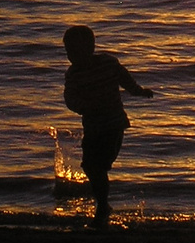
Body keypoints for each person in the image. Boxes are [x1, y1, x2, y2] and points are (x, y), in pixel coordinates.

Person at [61, 24, 154, 224]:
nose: (71, 56)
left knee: (99, 166)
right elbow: (70, 98)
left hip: (113, 124)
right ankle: (103, 205)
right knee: (90, 166)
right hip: (93, 127)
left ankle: (103, 206)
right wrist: (83, 107)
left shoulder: (108, 63)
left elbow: (126, 80)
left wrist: (140, 91)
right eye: (68, 52)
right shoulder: (73, 74)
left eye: (74, 51)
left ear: (90, 49)